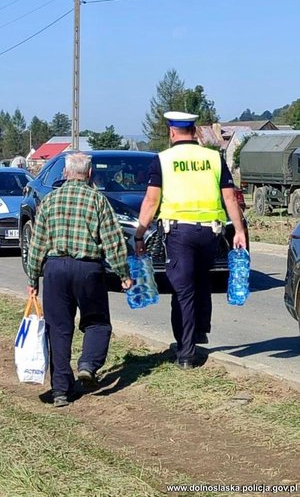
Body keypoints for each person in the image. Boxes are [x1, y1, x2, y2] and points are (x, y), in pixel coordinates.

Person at [134, 111, 246, 369]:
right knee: (202, 280)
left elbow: (151, 201)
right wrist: (238, 230)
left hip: (179, 233)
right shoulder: (213, 158)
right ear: (194, 131)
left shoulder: (163, 160)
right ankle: (199, 331)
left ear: (171, 132)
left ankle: (185, 353)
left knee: (183, 289)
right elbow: (229, 198)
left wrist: (140, 234)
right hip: (210, 232)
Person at [27, 152, 132, 407]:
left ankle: (61, 391)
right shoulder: (98, 200)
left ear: (64, 173)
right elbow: (113, 240)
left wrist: (33, 278)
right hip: (88, 269)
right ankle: (88, 364)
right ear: (90, 174)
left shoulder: (49, 201)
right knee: (96, 322)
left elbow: (37, 243)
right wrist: (123, 274)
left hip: (54, 269)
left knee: (58, 329)